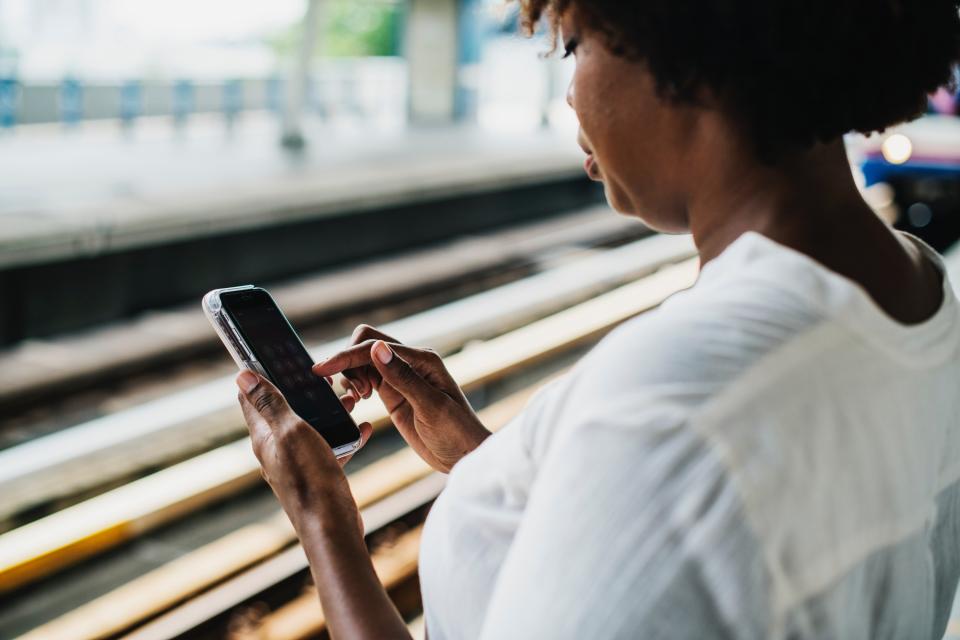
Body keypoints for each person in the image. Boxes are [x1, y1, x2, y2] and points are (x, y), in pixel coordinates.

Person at [234, 1, 960, 637]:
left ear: (687, 56)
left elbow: (677, 460)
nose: (571, 95)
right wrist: (483, 459)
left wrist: (320, 514)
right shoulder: (916, 284)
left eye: (576, 46)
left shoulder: (671, 402)